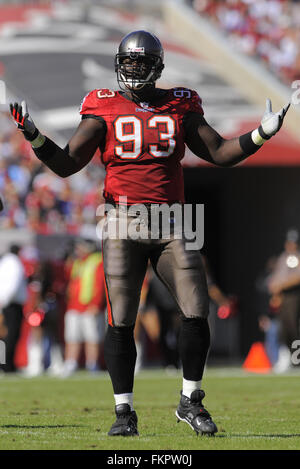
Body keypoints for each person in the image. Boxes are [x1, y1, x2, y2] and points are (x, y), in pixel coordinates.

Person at [9, 30, 289, 436]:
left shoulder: (180, 103)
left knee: (197, 308)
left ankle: (191, 401)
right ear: (118, 64)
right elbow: (68, 164)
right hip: (121, 219)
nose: (134, 70)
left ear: (157, 67)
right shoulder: (102, 106)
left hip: (174, 220)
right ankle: (124, 412)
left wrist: (261, 133)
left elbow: (220, 152)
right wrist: (33, 135)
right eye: (129, 62)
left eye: (142, 64)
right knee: (121, 318)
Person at [62, 238, 106, 376]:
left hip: (89, 306)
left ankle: (92, 364)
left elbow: (100, 285)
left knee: (92, 337)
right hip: (74, 306)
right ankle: (71, 363)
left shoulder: (97, 261)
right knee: (72, 337)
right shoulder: (78, 262)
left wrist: (96, 304)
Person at [268, 229, 300, 372]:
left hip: (294, 296)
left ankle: (296, 358)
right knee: (283, 328)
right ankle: (287, 356)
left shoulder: (297, 257)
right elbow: (276, 276)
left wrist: (281, 285)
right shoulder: (282, 258)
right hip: (283, 298)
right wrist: (274, 290)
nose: (291, 245)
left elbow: (297, 277)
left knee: (294, 327)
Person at [0, 244, 28, 372]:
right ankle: (7, 365)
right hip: (11, 304)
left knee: (5, 335)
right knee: (10, 335)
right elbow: (13, 284)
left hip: (6, 303)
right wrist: (5, 299)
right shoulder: (14, 263)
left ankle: (4, 363)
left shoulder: (5, 262)